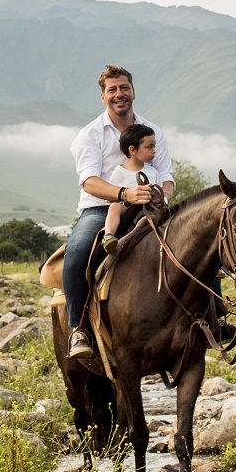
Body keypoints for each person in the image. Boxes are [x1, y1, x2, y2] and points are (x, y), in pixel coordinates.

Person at [63, 66, 174, 363]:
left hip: (149, 206)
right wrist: (125, 194)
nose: (119, 94)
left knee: (196, 236)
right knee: (76, 252)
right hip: (102, 208)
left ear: (133, 91)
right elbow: (89, 181)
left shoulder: (154, 132)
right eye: (112, 90)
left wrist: (159, 194)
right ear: (103, 97)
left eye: (123, 88)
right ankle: (78, 327)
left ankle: (213, 317)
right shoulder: (90, 135)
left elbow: (166, 176)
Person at [99, 123, 160, 254]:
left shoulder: (153, 172)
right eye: (149, 147)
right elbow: (115, 197)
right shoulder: (120, 171)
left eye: (154, 146)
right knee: (114, 207)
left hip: (149, 208)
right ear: (132, 149)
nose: (154, 151)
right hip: (128, 206)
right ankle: (109, 236)